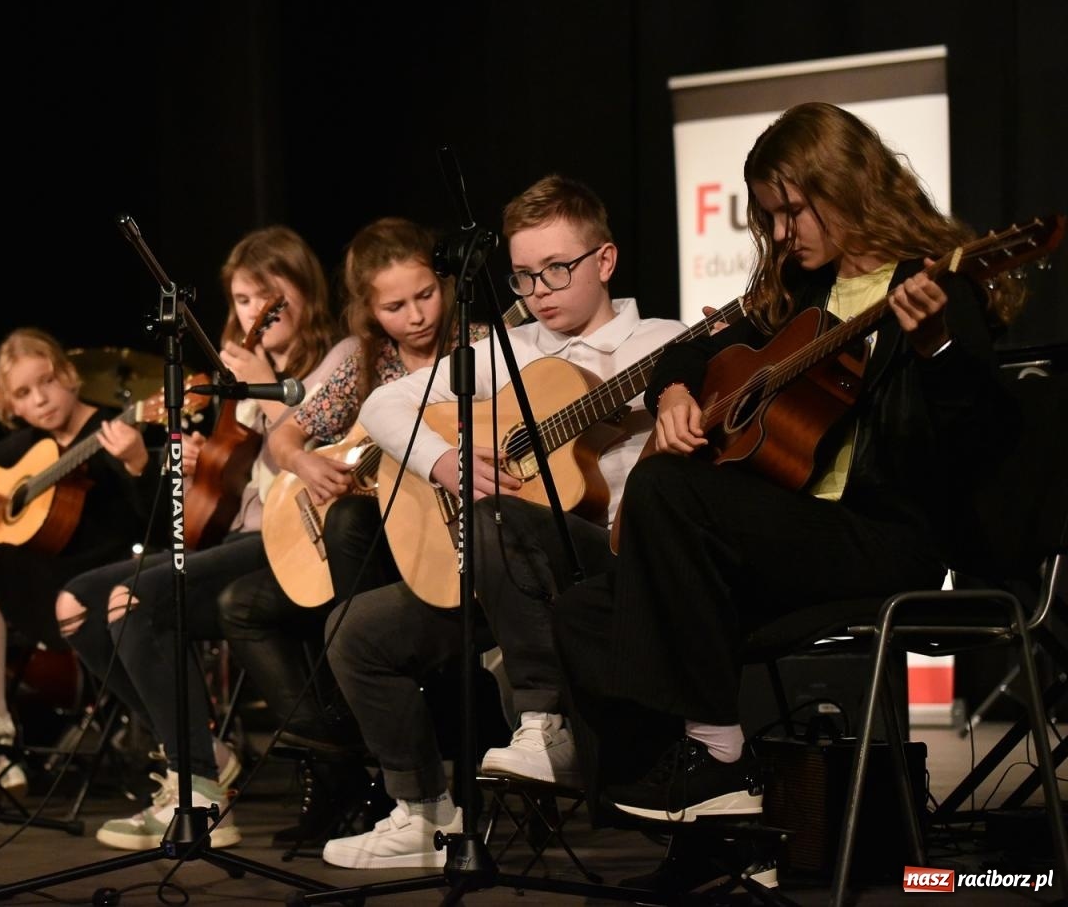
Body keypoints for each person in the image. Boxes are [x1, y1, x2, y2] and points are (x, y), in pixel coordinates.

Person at [551, 103, 1021, 881]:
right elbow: (691, 353)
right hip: (791, 536)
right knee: (585, 612)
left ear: (849, 184)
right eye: (768, 216)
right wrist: (674, 395)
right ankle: (710, 843)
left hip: (880, 541)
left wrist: (934, 346)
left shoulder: (939, 287)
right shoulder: (800, 287)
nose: (779, 234)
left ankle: (719, 762)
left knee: (669, 484)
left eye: (791, 210)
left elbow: (981, 441)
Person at [321, 175, 688, 869]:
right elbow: (383, 408)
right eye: (523, 276)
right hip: (502, 570)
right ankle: (423, 814)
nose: (540, 290)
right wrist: (445, 462)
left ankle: (544, 722)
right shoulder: (510, 352)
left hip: (604, 567)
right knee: (354, 633)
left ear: (604, 262)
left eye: (557, 269)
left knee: (501, 516)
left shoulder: (665, 344)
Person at [57, 224, 348, 850]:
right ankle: (200, 749)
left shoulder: (340, 357)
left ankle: (199, 789)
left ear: (303, 290)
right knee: (75, 604)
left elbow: (318, 448)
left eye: (269, 294)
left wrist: (258, 385)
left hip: (298, 537)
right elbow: (218, 499)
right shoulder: (234, 378)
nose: (255, 312)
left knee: (133, 601)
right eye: (242, 300)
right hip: (239, 537)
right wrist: (187, 465)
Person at [216, 217, 480, 844]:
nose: (416, 316)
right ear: (367, 308)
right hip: (363, 556)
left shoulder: (476, 349)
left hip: (441, 547)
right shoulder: (366, 362)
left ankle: (377, 752)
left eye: (426, 295)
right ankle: (347, 749)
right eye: (395, 305)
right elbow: (286, 433)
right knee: (243, 603)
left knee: (351, 524)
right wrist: (305, 461)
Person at [0, 327, 156, 806]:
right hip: (35, 582)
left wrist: (136, 461)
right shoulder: (30, 444)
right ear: (11, 405)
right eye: (23, 393)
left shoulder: (110, 430)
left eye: (46, 381)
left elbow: (153, 521)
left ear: (69, 376)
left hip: (84, 584)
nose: (40, 399)